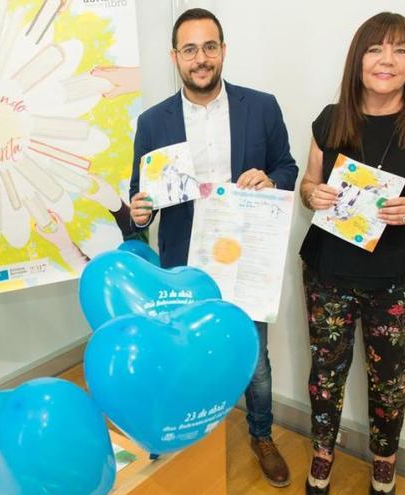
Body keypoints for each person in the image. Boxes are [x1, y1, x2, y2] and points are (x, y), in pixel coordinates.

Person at [298, 12, 405, 495]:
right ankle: (321, 461)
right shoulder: (332, 118)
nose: (387, 60)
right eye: (376, 49)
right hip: (329, 271)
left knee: (390, 380)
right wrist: (312, 194)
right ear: (359, 60)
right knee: (325, 375)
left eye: (400, 50)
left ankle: (383, 469)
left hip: (400, 278)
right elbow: (308, 183)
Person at [129, 8, 298, 488]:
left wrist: (272, 178)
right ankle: (184, 440)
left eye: (209, 47)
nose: (200, 59)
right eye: (189, 49)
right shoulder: (153, 121)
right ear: (175, 57)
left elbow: (287, 167)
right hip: (183, 265)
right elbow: (141, 195)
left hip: (247, 261)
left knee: (255, 361)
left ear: (222, 50)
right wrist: (139, 212)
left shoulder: (261, 107)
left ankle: (261, 434)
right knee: (182, 354)